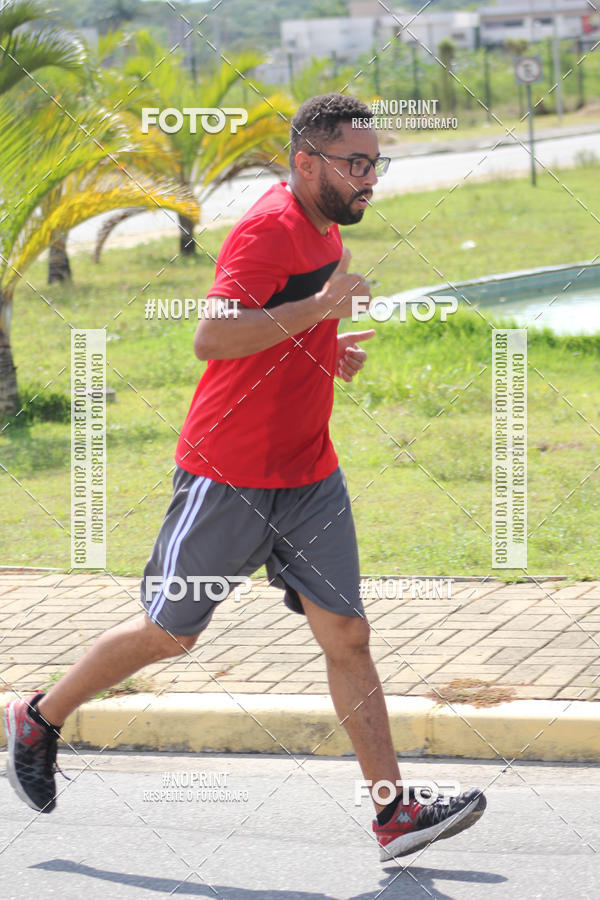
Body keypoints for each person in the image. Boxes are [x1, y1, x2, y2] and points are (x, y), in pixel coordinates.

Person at [3, 93, 485, 860]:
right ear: (305, 162)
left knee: (348, 636)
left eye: (375, 163)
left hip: (308, 474)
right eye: (355, 164)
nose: (371, 179)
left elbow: (289, 317)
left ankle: (393, 815)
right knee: (170, 634)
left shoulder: (326, 230)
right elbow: (213, 337)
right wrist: (319, 310)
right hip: (229, 474)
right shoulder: (267, 230)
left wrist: (327, 345)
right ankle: (39, 716)